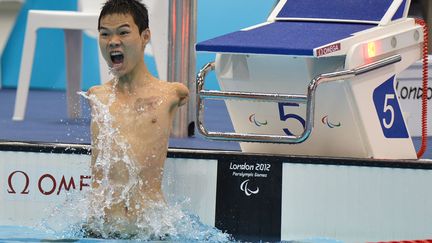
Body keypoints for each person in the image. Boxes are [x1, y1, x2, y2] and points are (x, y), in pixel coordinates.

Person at [84, 0, 189, 238]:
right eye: (104, 34)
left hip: (149, 229)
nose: (113, 41)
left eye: (123, 32)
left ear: (145, 37)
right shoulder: (97, 96)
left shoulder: (170, 94)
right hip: (99, 229)